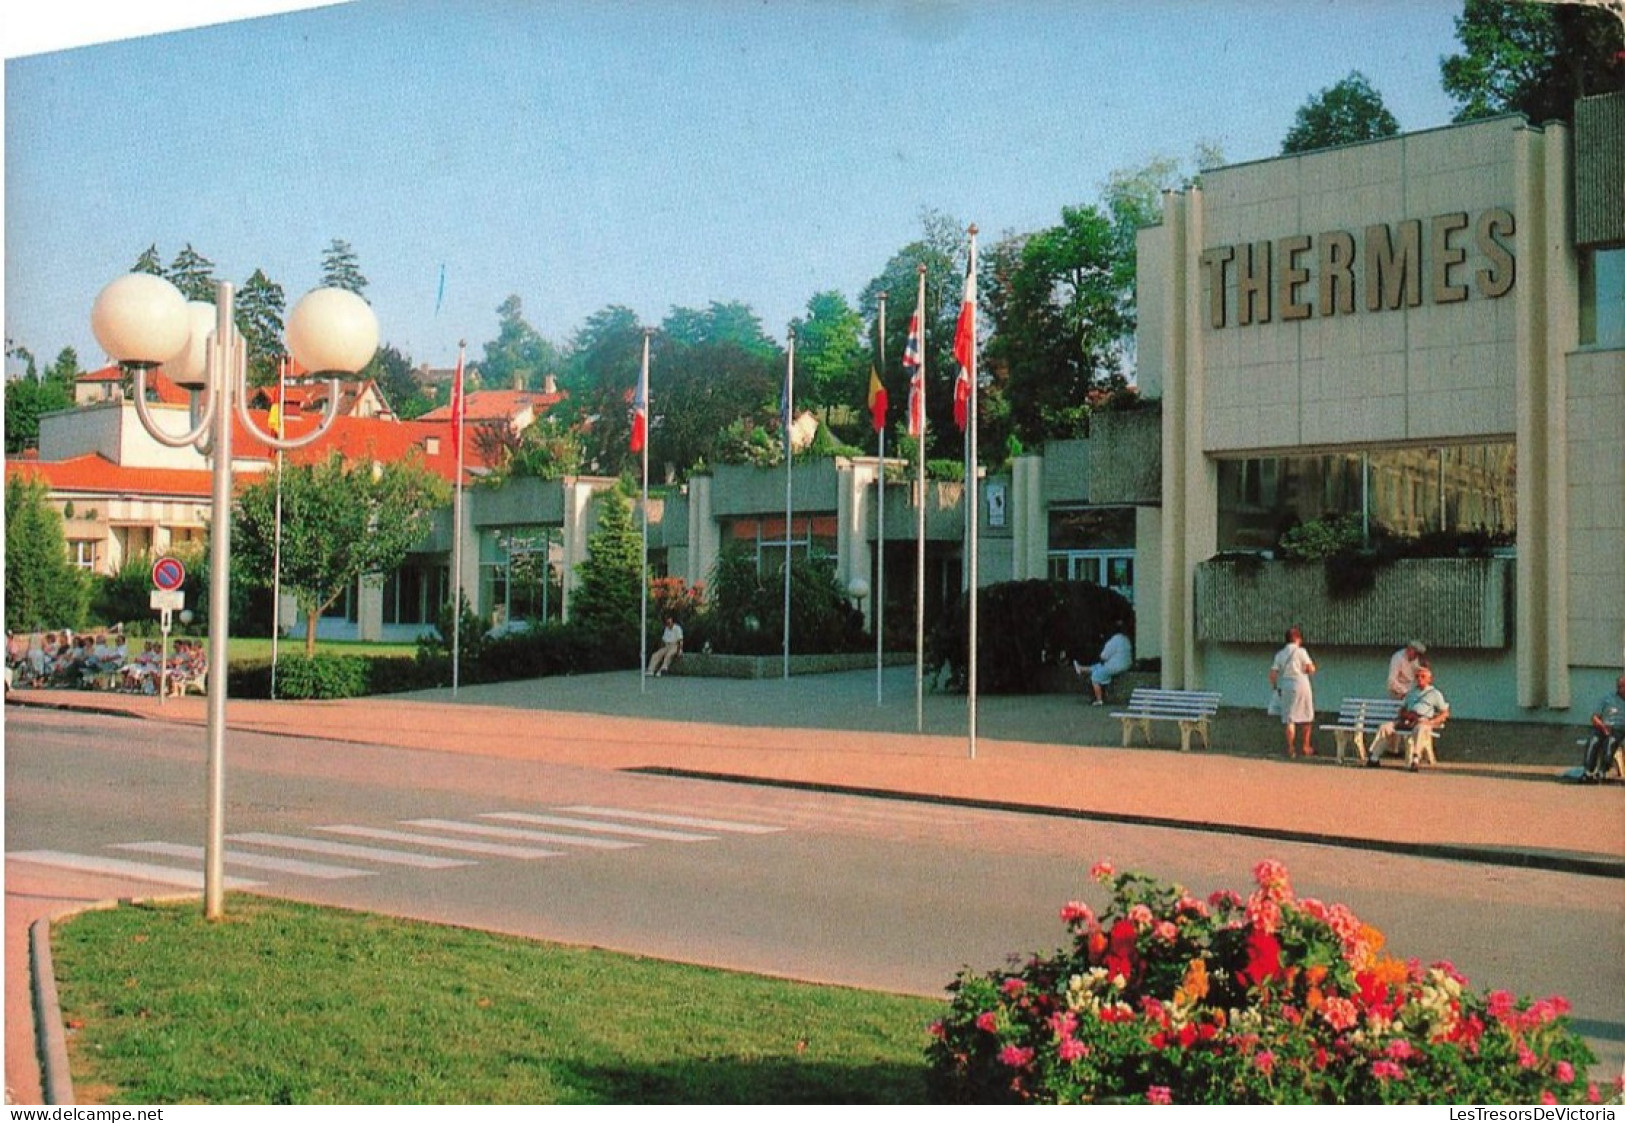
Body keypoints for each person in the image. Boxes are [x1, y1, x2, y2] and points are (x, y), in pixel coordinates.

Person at [1368, 664, 1449, 771]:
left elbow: (1445, 713)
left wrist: (1432, 722)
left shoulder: (1435, 694)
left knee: (1420, 729)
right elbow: (1402, 709)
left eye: (1423, 676)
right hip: (1406, 719)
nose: (1419, 679)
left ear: (1430, 679)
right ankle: (1374, 757)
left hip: (1421, 720)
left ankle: (1415, 759)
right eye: (1417, 677)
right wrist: (1404, 714)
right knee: (1385, 727)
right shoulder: (1411, 693)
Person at [1268, 625, 1317, 758]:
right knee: (1307, 716)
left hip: (1286, 685)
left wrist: (1275, 687)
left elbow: (1272, 675)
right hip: (1301, 684)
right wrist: (1308, 669)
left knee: (1290, 718)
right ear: (1297, 639)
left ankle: (1291, 748)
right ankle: (1306, 746)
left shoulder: (1280, 654)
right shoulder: (1301, 652)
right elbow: (1310, 669)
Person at [1579, 674, 1625, 784]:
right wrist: (1603, 726)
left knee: (1610, 742)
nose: (1622, 689)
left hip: (1619, 729)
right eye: (1620, 686)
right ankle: (1588, 771)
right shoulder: (1607, 698)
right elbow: (1594, 717)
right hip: (1602, 726)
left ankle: (1602, 771)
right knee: (1593, 741)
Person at [1075, 623, 1133, 706]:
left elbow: (1104, 656)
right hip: (1126, 664)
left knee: (1095, 676)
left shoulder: (1114, 640)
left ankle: (1099, 700)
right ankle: (1081, 669)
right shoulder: (1126, 639)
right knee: (1098, 666)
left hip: (1115, 666)